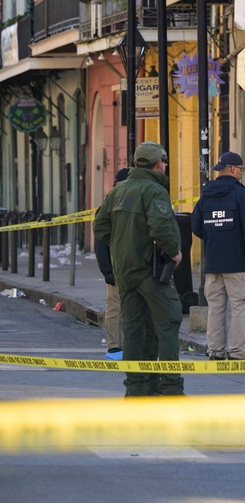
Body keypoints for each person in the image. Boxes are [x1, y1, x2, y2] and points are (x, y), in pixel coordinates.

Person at [93, 141, 185, 397]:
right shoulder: (154, 191)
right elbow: (161, 229)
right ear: (159, 164)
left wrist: (124, 242)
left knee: (134, 329)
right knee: (169, 320)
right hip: (149, 270)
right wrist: (174, 253)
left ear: (135, 163)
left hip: (124, 271)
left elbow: (100, 228)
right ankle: (170, 388)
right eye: (164, 162)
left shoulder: (118, 191)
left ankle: (137, 389)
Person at [191, 151, 245, 361]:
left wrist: (214, 238)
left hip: (214, 264)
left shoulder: (206, 195)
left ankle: (215, 351)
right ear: (234, 169)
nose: (242, 174)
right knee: (240, 308)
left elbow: (196, 226)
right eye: (242, 170)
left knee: (215, 309)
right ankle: (237, 353)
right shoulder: (242, 195)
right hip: (238, 264)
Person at [96, 168, 130, 361]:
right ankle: (115, 348)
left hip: (128, 266)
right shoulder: (110, 205)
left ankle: (123, 346)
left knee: (125, 308)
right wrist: (107, 270)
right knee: (116, 309)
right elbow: (100, 240)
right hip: (118, 267)